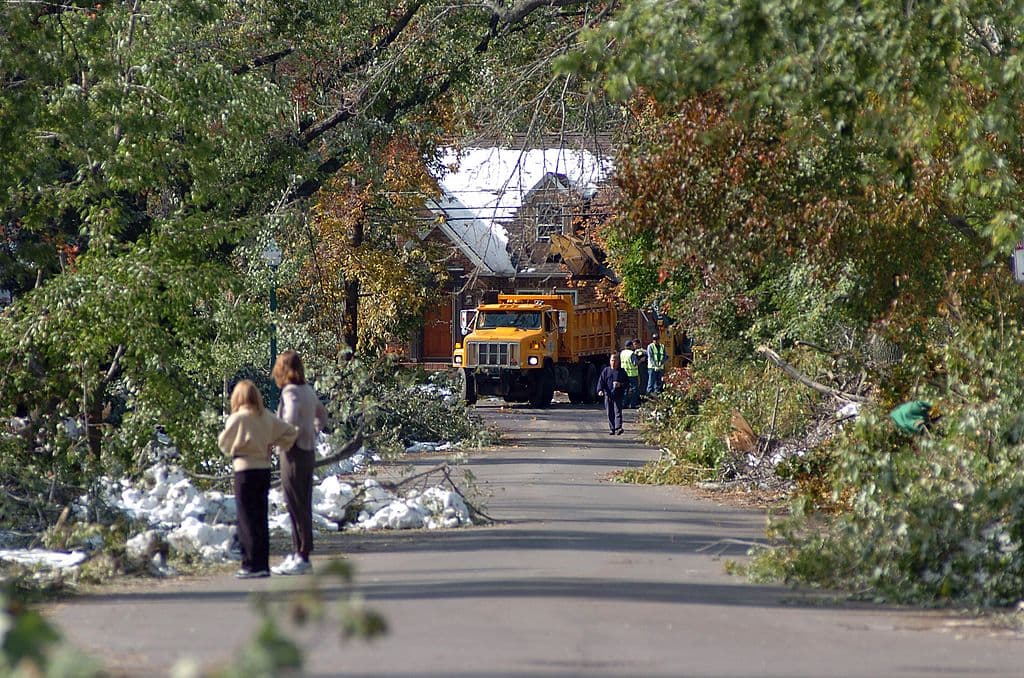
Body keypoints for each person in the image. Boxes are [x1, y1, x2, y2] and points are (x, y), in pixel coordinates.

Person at [218, 380, 298, 579]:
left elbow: (223, 443)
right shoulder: (266, 417)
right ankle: (262, 563)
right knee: (261, 517)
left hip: (244, 469)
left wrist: (236, 447)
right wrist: (275, 443)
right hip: (263, 469)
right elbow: (290, 433)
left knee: (246, 518)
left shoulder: (238, 418)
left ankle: (249, 564)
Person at [271, 351, 328, 576]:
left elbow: (291, 418)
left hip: (293, 452)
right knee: (303, 501)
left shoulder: (291, 391)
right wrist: (313, 431)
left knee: (294, 502)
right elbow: (322, 415)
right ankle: (300, 553)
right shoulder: (308, 390)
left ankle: (301, 554)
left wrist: (284, 438)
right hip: (308, 451)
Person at [597, 352, 628, 435]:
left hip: (618, 394)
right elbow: (601, 381)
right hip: (608, 394)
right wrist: (600, 390)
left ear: (618, 362)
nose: (613, 362)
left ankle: (618, 428)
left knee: (618, 411)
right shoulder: (606, 371)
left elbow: (627, 383)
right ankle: (612, 428)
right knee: (609, 412)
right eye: (612, 360)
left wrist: (620, 384)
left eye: (615, 361)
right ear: (609, 361)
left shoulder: (621, 372)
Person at [619, 341, 640, 408]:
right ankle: (632, 404)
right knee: (634, 389)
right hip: (632, 374)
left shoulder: (622, 353)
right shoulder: (631, 353)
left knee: (625, 389)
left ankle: (624, 403)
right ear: (631, 346)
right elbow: (635, 363)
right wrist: (641, 360)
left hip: (624, 374)